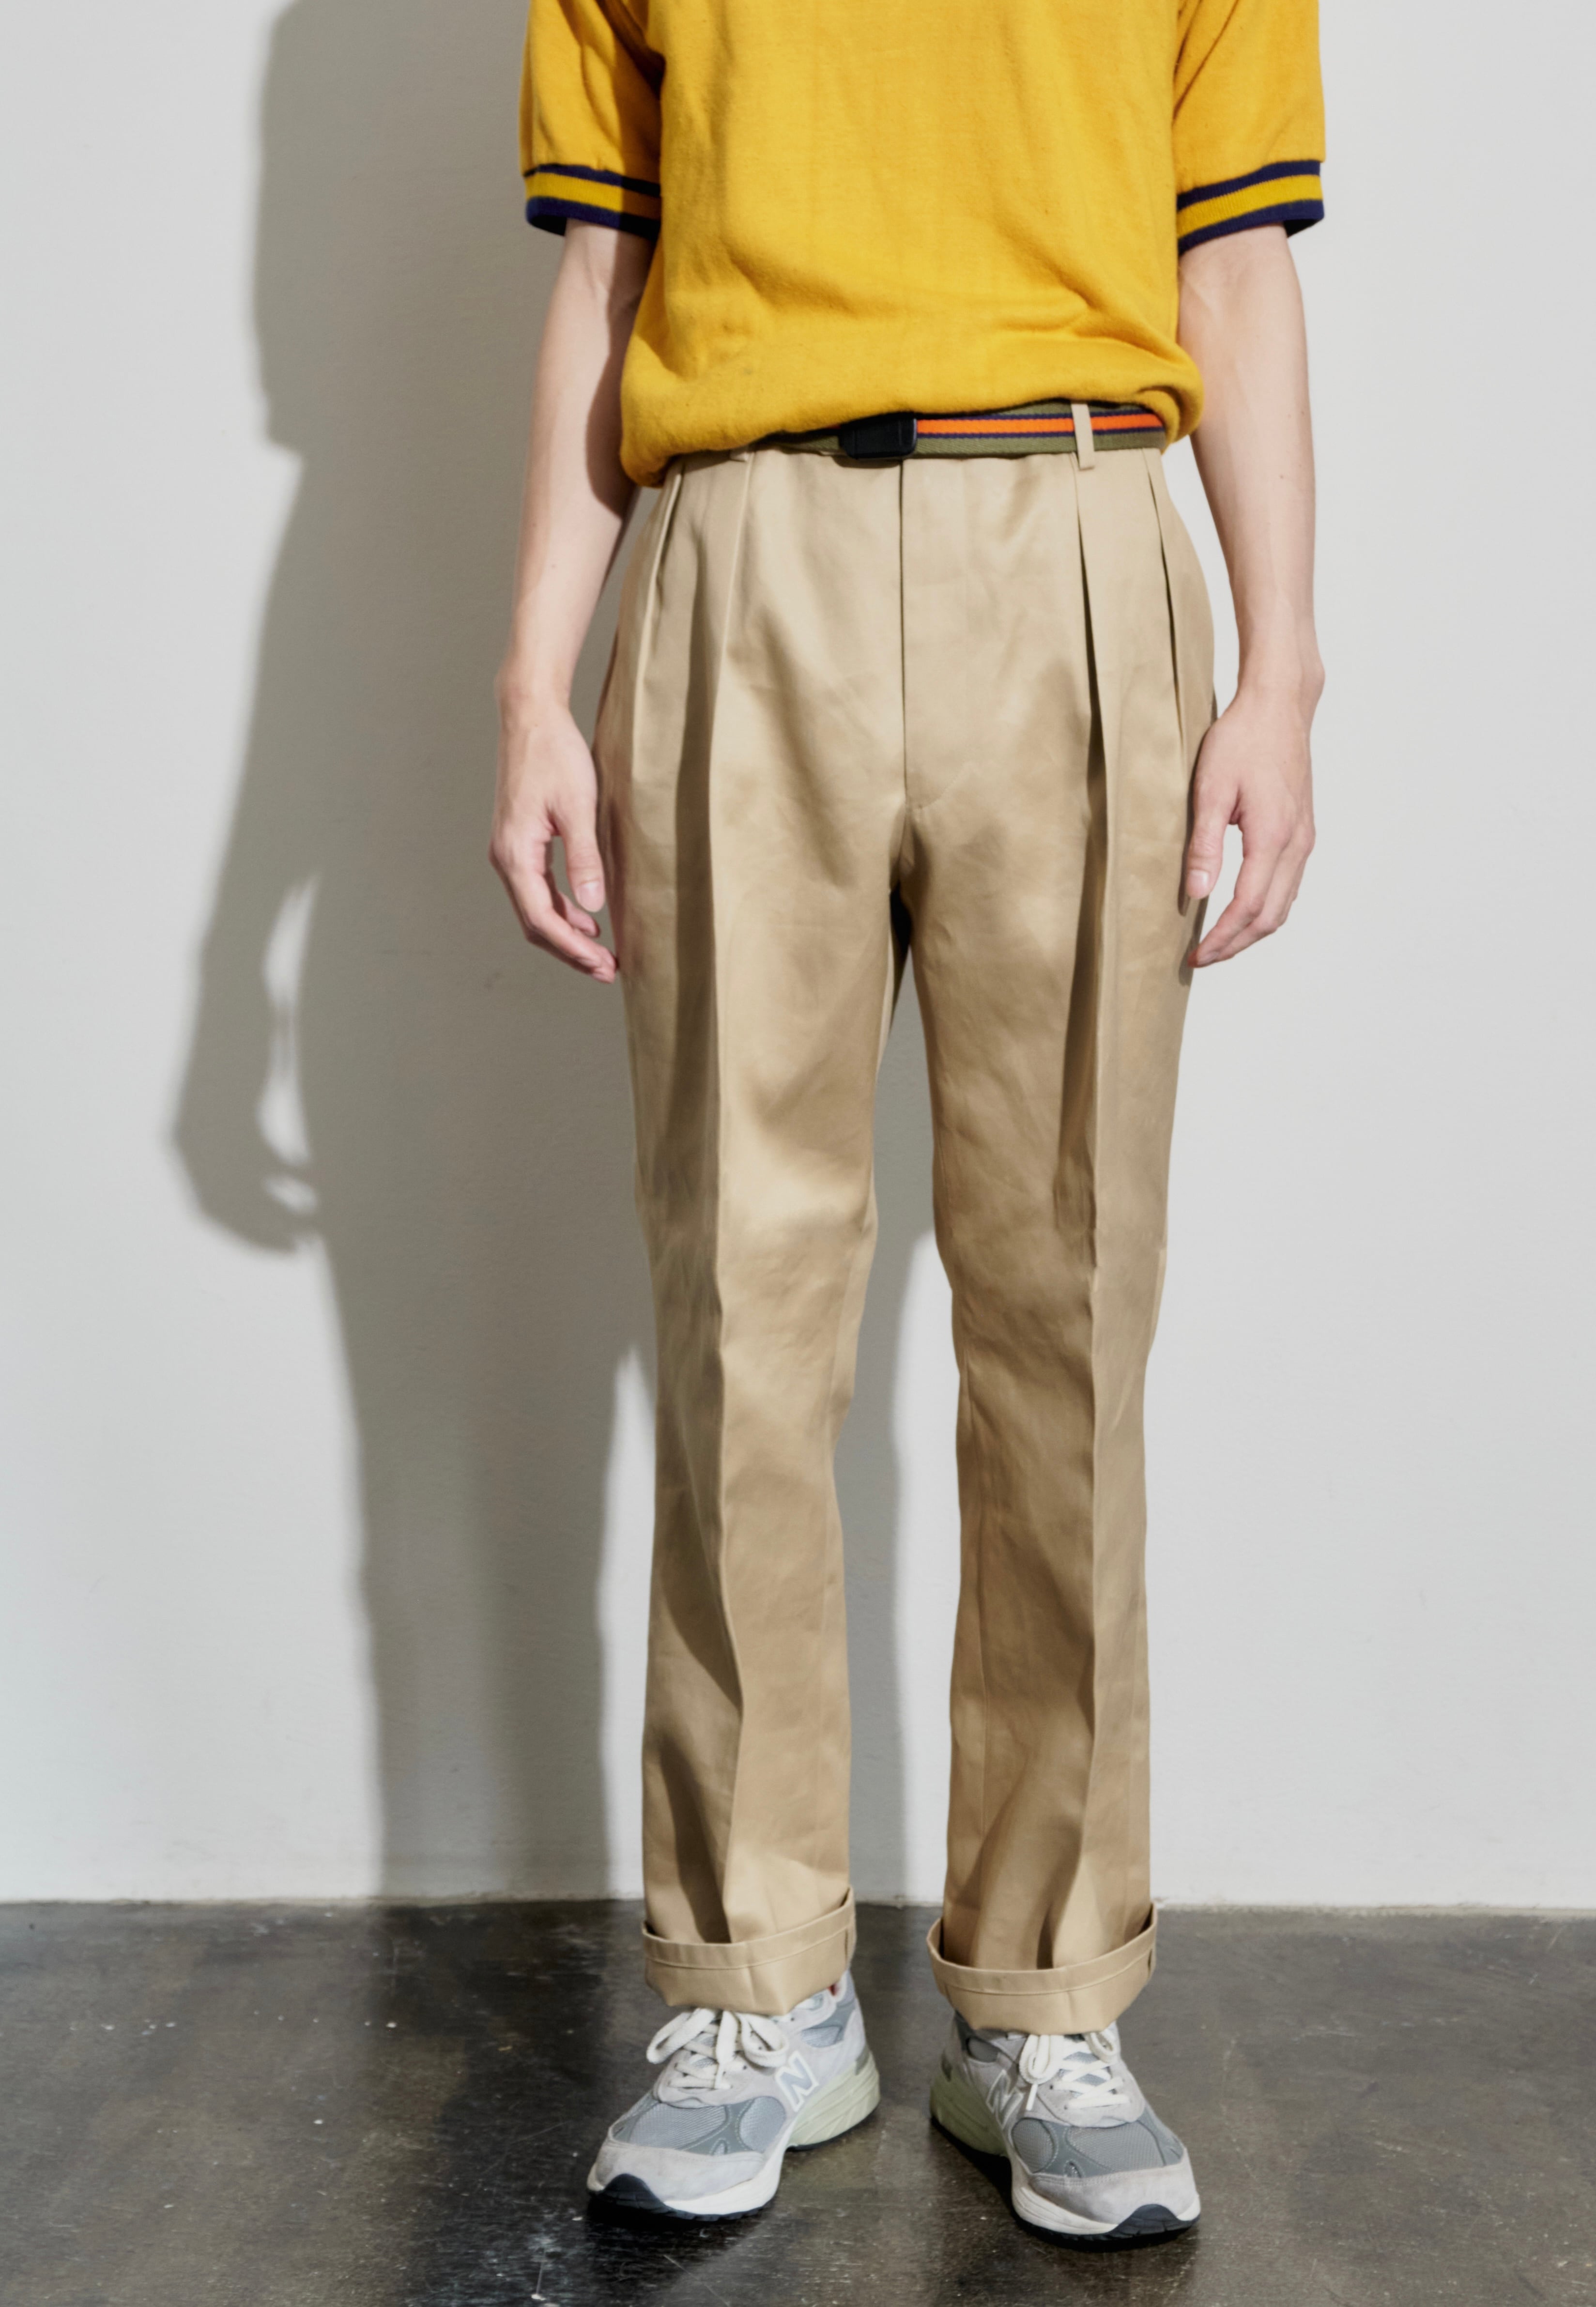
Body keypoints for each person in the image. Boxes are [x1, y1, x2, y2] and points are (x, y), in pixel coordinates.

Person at [491, 0, 1324, 2246]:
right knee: (738, 1311)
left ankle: (1047, 2002)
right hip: (732, 540)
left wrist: (1278, 670)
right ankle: (754, 1988)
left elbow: (1232, 256)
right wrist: (532, 681)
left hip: (1075, 533)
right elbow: (605, 263)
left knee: (1066, 1314)